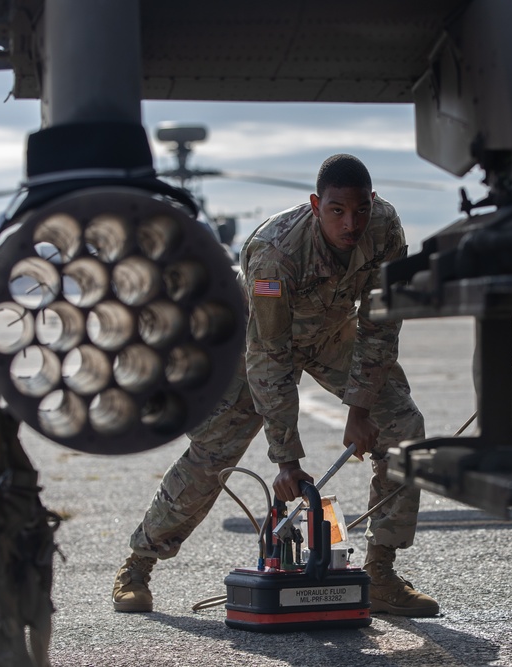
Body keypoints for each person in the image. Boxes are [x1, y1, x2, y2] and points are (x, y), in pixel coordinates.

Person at [111, 153, 439, 617]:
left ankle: (381, 573)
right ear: (314, 205)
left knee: (404, 428)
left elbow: (381, 325)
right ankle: (138, 565)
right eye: (337, 211)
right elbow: (269, 356)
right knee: (212, 457)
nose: (352, 223)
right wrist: (287, 460)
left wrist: (361, 408)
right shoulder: (275, 251)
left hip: (329, 335)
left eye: (361, 208)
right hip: (256, 343)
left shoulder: (385, 228)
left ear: (373, 201)